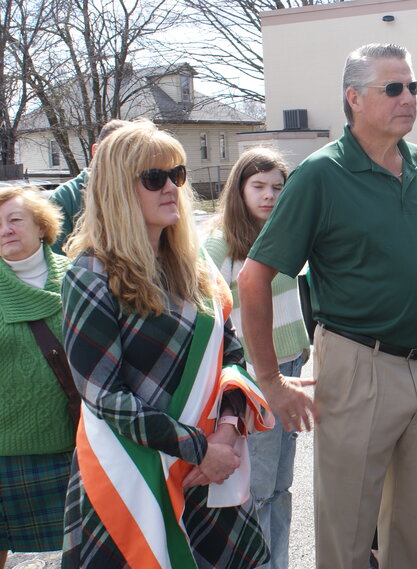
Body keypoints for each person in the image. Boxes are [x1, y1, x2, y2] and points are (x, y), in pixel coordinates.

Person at [238, 43, 417, 569]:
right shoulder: (320, 175)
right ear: (354, 98)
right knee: (346, 532)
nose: (408, 97)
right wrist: (270, 380)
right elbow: (254, 279)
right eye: (393, 88)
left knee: (413, 526)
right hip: (357, 364)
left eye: (413, 87)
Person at [60, 119, 273, 569]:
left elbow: (230, 355)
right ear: (117, 189)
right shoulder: (90, 275)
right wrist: (200, 447)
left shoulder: (195, 267)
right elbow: (105, 397)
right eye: (154, 178)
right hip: (135, 474)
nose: (171, 187)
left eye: (176, 175)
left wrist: (229, 432)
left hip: (208, 471)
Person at [203, 146, 311, 569]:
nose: (269, 196)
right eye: (258, 186)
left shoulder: (285, 235)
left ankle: (278, 561)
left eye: (277, 188)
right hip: (254, 376)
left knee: (282, 484)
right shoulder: (220, 245)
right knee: (260, 485)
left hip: (292, 364)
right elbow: (206, 314)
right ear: (239, 189)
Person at [0, 187, 74, 568]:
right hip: (4, 450)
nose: (5, 230)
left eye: (14, 219)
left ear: (41, 226)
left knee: (86, 549)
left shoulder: (77, 276)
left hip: (73, 446)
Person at [49, 119, 131, 253]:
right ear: (95, 150)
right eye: (112, 151)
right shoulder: (66, 198)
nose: (120, 160)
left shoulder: (145, 192)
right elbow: (55, 262)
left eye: (128, 153)